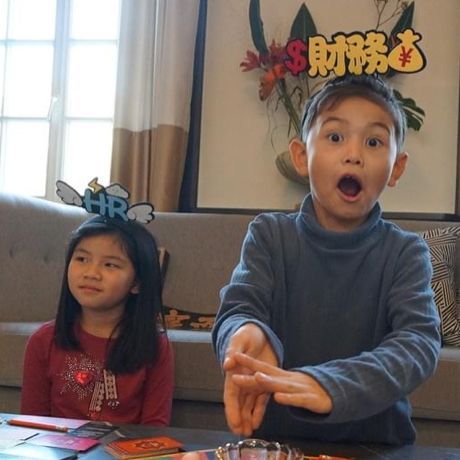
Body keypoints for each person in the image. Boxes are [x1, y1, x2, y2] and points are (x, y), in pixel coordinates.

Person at [212, 74, 441, 445]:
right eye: (335, 137)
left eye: (373, 142)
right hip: (277, 444)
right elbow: (239, 308)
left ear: (396, 168)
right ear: (302, 156)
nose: (354, 154)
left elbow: (418, 343)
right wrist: (245, 332)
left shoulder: (405, 252)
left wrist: (331, 385)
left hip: (376, 446)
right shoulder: (269, 235)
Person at [21, 215, 174, 426]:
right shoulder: (43, 340)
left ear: (137, 282)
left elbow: (155, 427)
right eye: (82, 259)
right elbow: (32, 423)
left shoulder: (154, 346)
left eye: (110, 264)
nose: (91, 273)